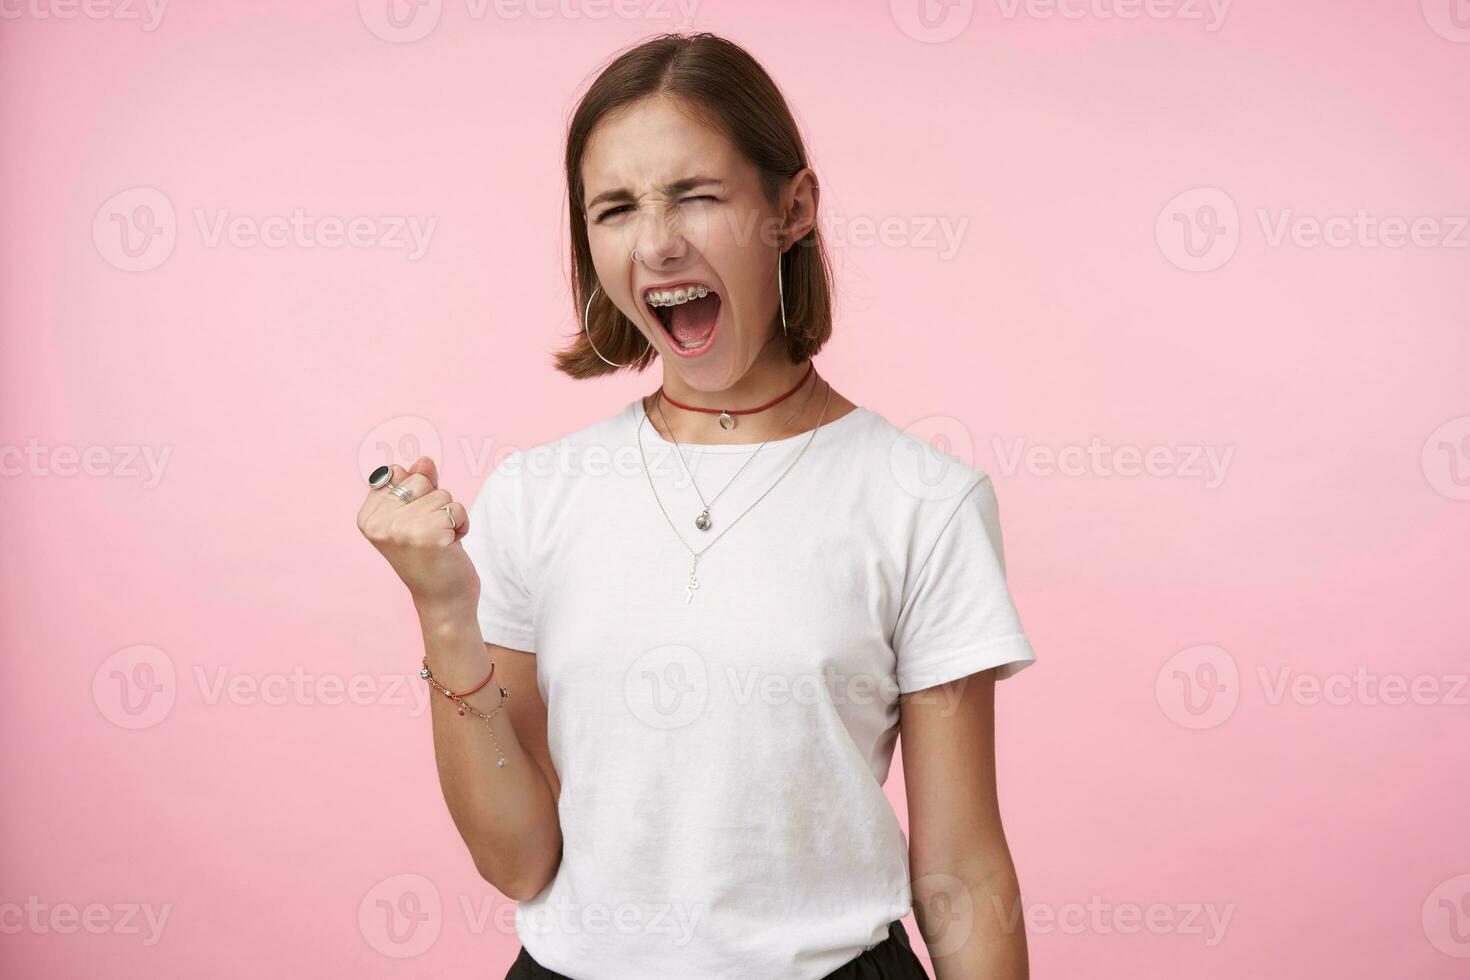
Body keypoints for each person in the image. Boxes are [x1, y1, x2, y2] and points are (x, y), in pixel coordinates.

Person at [358, 32, 1035, 980]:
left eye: (698, 196)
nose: (658, 242)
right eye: (617, 209)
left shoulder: (922, 499)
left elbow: (961, 865)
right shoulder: (536, 495)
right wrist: (442, 611)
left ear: (791, 209)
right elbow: (519, 859)